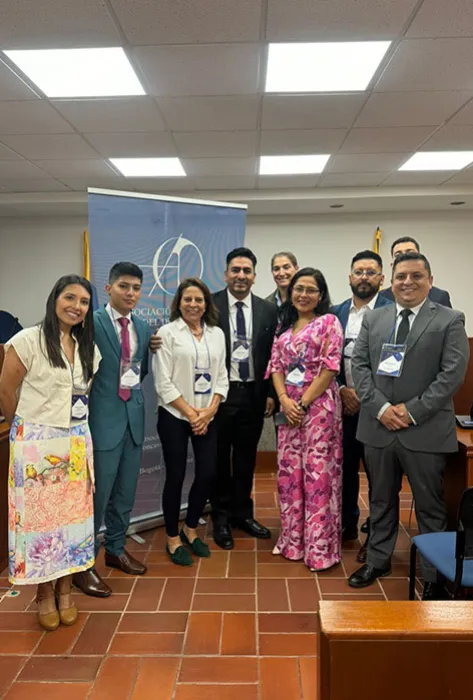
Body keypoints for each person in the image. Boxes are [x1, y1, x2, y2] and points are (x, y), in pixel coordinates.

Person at [348, 252, 469, 600]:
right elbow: (359, 367)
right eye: (401, 276)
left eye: (416, 276)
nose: (407, 282)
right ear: (391, 282)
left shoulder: (449, 319)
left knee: (430, 506)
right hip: (378, 428)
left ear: (430, 281)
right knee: (380, 499)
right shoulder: (375, 318)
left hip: (424, 429)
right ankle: (378, 560)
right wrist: (382, 409)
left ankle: (433, 574)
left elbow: (451, 375)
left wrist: (411, 412)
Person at [0, 275, 101, 630]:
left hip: (75, 440)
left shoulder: (88, 347)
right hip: (36, 445)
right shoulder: (27, 340)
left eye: (84, 301)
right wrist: (25, 433)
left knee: (72, 521)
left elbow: (84, 395)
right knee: (41, 524)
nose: (76, 306)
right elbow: (6, 390)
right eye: (70, 297)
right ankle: (44, 594)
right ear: (54, 299)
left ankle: (66, 589)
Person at [73, 262, 151, 598]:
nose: (130, 293)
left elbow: (141, 371)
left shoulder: (143, 327)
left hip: (133, 420)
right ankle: (84, 565)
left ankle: (116, 549)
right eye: (123, 286)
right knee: (96, 497)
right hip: (101, 422)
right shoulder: (90, 322)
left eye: (136, 288)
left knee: (125, 494)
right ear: (108, 288)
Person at [267, 267, 344, 570]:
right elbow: (275, 366)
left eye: (311, 289)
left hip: (319, 409)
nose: (303, 295)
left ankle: (319, 549)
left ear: (320, 295)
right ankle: (293, 541)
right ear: (291, 292)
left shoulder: (329, 322)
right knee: (290, 477)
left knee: (317, 477)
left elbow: (330, 367)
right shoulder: (283, 327)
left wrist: (302, 402)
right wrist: (285, 401)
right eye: (299, 289)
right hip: (289, 410)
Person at [153, 278, 228, 565]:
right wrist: (192, 414)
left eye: (199, 299)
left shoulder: (217, 334)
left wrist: (209, 410)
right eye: (188, 299)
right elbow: (163, 382)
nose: (193, 304)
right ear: (179, 303)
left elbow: (221, 376)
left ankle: (191, 528)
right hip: (175, 415)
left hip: (207, 415)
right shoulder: (167, 333)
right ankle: (172, 537)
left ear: (206, 304)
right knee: (175, 477)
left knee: (208, 473)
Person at [211, 247, 278, 550]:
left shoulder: (268, 310)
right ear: (226, 274)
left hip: (253, 394)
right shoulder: (210, 305)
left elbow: (275, 355)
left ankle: (243, 514)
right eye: (235, 270)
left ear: (254, 276)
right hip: (220, 394)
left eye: (246, 271)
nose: (241, 275)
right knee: (219, 459)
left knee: (246, 458)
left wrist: (271, 393)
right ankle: (221, 517)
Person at [331, 250, 393, 563]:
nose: (364, 277)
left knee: (378, 477)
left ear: (381, 278)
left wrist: (367, 396)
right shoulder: (335, 313)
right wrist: (343, 389)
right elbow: (327, 358)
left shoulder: (393, 311)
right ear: (350, 276)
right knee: (344, 470)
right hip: (342, 406)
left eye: (370, 272)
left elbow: (394, 363)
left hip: (378, 409)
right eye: (359, 271)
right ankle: (346, 524)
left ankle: (377, 537)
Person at [380, 236, 451, 307]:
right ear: (392, 265)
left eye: (410, 253)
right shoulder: (381, 297)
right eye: (398, 255)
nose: (405, 257)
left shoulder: (440, 296)